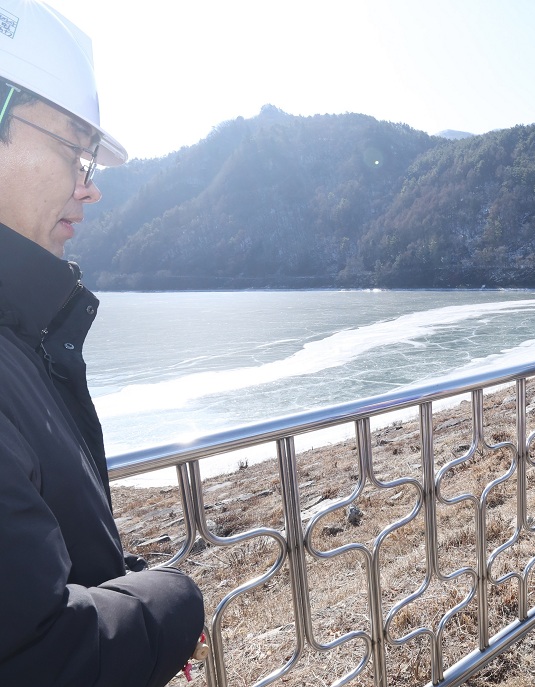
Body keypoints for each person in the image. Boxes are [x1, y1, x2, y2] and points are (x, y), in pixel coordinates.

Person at [0, 3, 204, 685]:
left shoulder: (22, 330)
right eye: (73, 148)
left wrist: (116, 584)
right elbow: (39, 654)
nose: (89, 187)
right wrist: (171, 599)